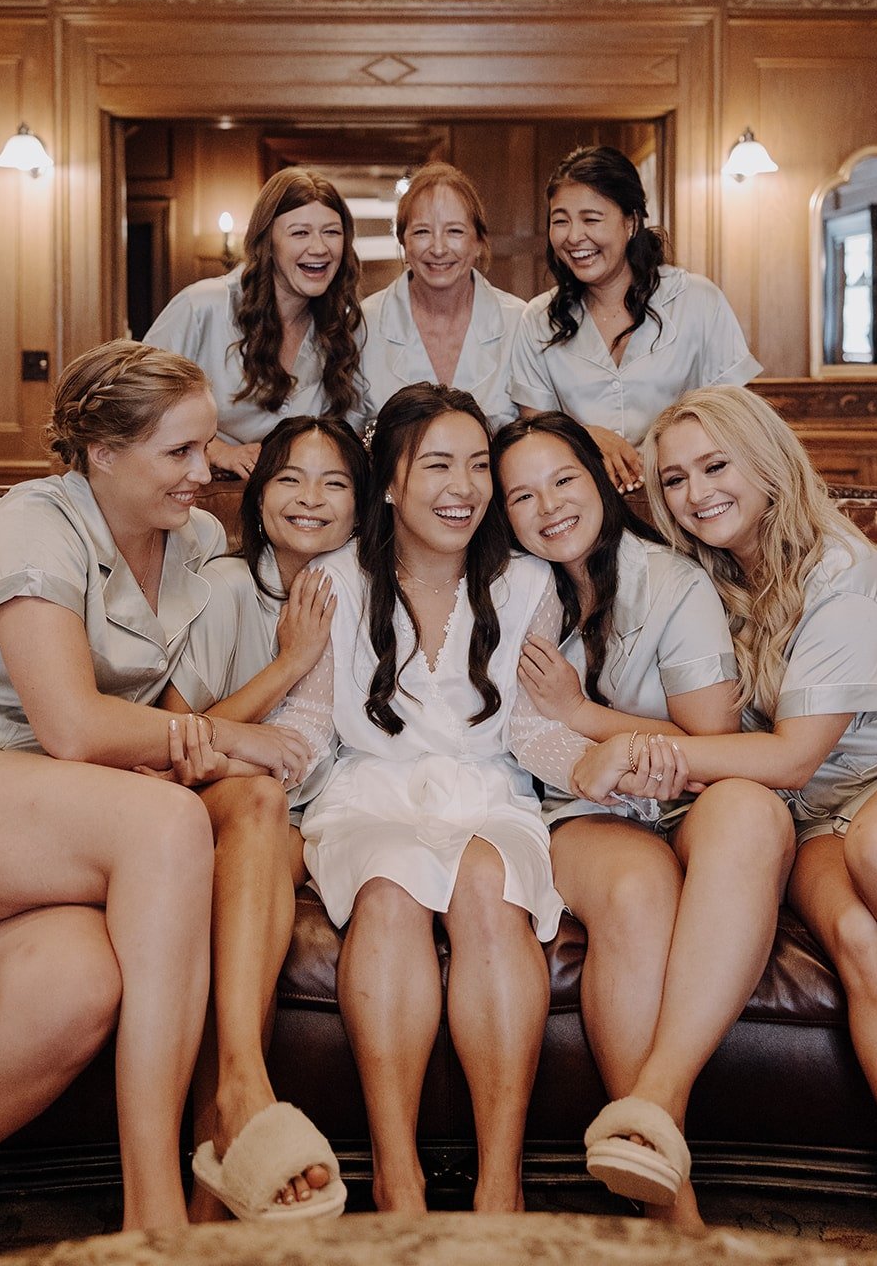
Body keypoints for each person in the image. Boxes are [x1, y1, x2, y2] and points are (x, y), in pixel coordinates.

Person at [0, 339, 302, 1231]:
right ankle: (157, 1218)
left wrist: (210, 750)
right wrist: (231, 738)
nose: (208, 473)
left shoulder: (194, 537)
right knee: (165, 825)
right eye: (180, 453)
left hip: (50, 827)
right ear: (103, 453)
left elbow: (159, 707)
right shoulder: (32, 517)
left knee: (74, 995)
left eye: (208, 446)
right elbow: (73, 727)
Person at [589, 383, 877, 1266]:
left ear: (765, 462)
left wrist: (652, 753)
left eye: (714, 467)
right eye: (673, 478)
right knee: (860, 942)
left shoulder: (840, 570)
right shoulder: (703, 574)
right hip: (812, 818)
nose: (694, 493)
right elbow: (773, 771)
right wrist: (583, 718)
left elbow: (793, 755)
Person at [264, 383, 576, 1214]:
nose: (463, 487)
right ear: (391, 482)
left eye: (478, 465)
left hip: (490, 791)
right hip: (368, 794)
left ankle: (498, 1184)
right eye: (437, 464)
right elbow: (305, 724)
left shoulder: (527, 582)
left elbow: (538, 733)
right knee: (393, 880)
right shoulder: (333, 580)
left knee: (488, 880)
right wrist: (228, 752)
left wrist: (610, 765)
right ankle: (394, 1174)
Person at [491, 413, 794, 1233]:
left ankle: (655, 1102)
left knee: (753, 811)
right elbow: (529, 731)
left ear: (599, 478)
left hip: (688, 792)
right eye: (521, 495)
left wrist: (606, 729)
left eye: (563, 480)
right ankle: (672, 1205)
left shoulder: (670, 580)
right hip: (578, 811)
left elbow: (714, 746)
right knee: (636, 889)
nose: (548, 507)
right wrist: (599, 759)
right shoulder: (510, 589)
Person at [156, 415, 369, 1223]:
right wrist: (289, 664)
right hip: (221, 801)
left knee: (263, 873)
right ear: (257, 490)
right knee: (258, 805)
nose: (310, 499)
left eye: (334, 483)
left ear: (362, 504)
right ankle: (242, 1087)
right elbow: (177, 739)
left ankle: (215, 1170)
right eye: (289, 478)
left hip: (325, 817)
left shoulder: (378, 588)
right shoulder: (223, 586)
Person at [509, 146, 760, 493]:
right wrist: (583, 436)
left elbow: (736, 418)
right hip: (582, 504)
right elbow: (533, 429)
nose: (573, 236)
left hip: (689, 500)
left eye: (591, 219)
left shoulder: (697, 300)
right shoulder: (538, 318)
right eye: (560, 220)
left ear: (630, 222)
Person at [146, 167, 364, 479]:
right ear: (268, 241)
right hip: (199, 497)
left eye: (332, 232)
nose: (319, 247)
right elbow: (142, 407)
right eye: (300, 233)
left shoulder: (342, 327)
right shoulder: (202, 307)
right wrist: (217, 450)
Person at [360, 162, 525, 429]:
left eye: (455, 231)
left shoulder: (519, 321)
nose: (438, 248)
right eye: (422, 232)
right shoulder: (364, 324)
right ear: (403, 241)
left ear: (479, 242)